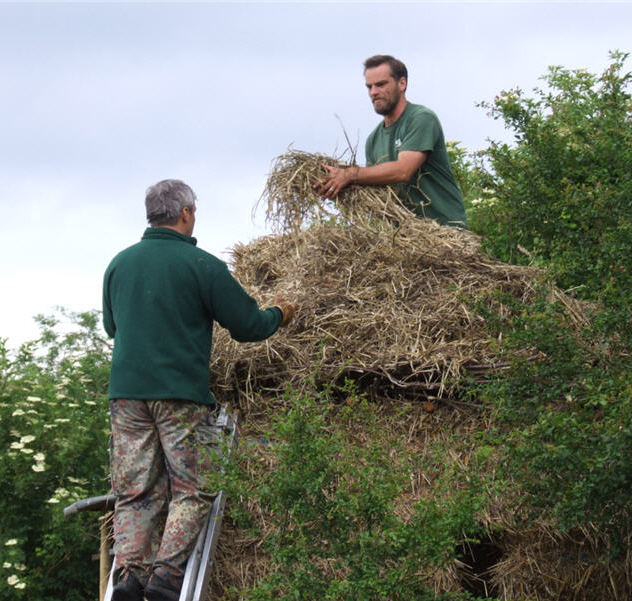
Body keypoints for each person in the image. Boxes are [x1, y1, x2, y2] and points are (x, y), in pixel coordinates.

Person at [102, 179, 294, 601]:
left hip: (126, 398)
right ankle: (167, 578)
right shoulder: (203, 266)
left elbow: (112, 327)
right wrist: (281, 311)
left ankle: (130, 577)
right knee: (192, 487)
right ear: (186, 213)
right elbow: (249, 327)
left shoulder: (119, 264)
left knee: (134, 491)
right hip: (180, 397)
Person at [315, 54, 467, 227]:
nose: (373, 92)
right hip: (404, 239)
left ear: (402, 83)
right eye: (369, 87)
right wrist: (332, 182)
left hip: (445, 233)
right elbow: (377, 188)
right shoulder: (373, 140)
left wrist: (350, 175)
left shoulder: (421, 118)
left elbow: (403, 171)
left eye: (381, 84)